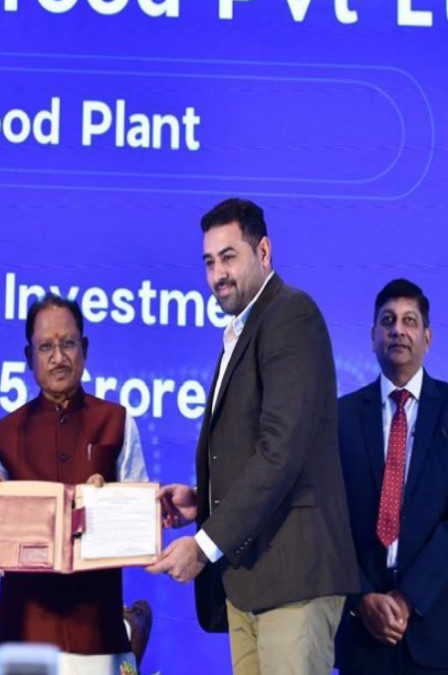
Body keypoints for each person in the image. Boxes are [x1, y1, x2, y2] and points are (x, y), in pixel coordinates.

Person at [150, 198, 356, 675]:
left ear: (263, 251)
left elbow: (280, 451)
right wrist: (203, 501)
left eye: (229, 257)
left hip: (293, 580)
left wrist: (204, 544)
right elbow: (249, 452)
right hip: (248, 582)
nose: (217, 274)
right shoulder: (241, 331)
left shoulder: (290, 315)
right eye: (209, 262)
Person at [0, 294, 147, 675]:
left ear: (84, 349)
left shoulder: (117, 422)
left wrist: (107, 507)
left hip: (99, 639)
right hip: (22, 642)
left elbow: (141, 529)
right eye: (46, 347)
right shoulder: (6, 432)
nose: (58, 357)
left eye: (68, 343)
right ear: (29, 357)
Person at [335, 279, 448, 675]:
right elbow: (327, 519)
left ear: (427, 337)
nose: (398, 329)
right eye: (388, 320)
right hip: (360, 635)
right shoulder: (341, 418)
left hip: (435, 633)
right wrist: (362, 597)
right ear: (372, 337)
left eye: (409, 320)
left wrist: (408, 598)